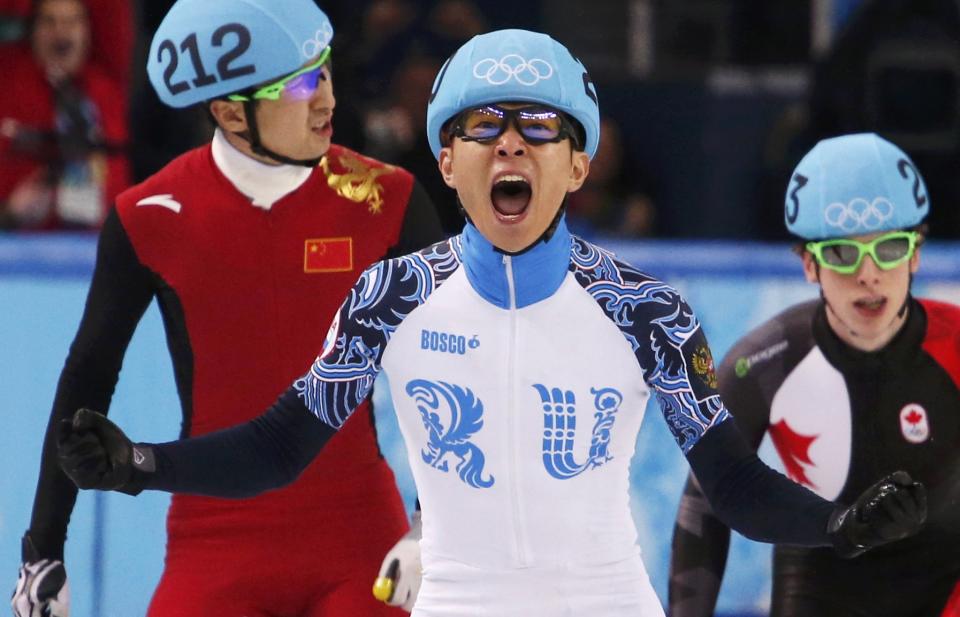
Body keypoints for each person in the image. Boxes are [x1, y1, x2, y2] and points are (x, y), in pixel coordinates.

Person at [55, 30, 927, 617]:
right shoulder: (389, 295)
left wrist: (838, 521)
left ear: (579, 162)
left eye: (540, 126)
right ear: (446, 160)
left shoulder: (646, 310)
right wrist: (139, 462)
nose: (510, 143)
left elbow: (732, 482)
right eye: (482, 125)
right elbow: (279, 447)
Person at [12, 0, 447, 615]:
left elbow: (454, 365)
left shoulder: (389, 198)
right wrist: (42, 552)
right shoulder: (149, 216)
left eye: (324, 71)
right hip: (214, 540)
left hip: (358, 535)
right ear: (228, 113)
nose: (325, 99)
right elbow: (87, 379)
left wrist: (436, 523)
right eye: (298, 84)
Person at [669, 133, 960, 616]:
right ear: (809, 264)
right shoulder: (764, 363)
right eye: (842, 254)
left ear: (915, 255)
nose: (869, 274)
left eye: (889, 248)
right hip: (820, 587)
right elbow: (704, 506)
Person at [0, 0, 132, 230]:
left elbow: (112, 9)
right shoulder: (10, 80)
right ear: (32, 31)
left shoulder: (107, 81)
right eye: (49, 22)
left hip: (102, 245)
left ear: (89, 31)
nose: (60, 31)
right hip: (21, 246)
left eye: (72, 22)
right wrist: (7, 214)